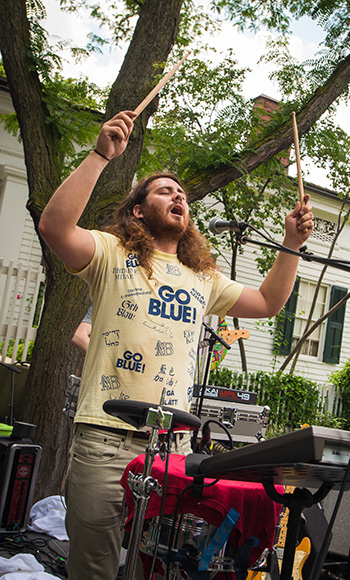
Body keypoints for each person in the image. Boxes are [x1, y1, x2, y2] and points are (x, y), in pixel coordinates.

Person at [38, 110, 314, 580]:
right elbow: (55, 229)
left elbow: (268, 302)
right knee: (95, 570)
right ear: (139, 210)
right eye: (165, 190)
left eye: (182, 193)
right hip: (104, 441)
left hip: (171, 451)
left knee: (158, 568)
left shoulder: (202, 279)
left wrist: (291, 243)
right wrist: (102, 155)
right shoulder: (110, 253)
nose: (178, 195)